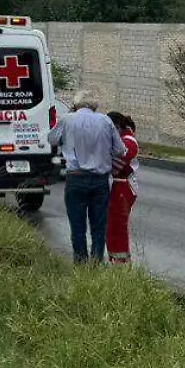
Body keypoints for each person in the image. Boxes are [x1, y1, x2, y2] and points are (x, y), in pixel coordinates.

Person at [47, 92, 125, 263]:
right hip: (100, 181)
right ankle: (96, 263)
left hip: (75, 178)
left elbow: (51, 139)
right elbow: (120, 150)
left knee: (78, 226)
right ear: (94, 105)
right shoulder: (106, 121)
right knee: (98, 227)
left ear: (76, 104)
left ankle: (80, 263)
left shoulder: (67, 120)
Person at [106, 111, 140, 265]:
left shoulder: (129, 141)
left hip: (124, 185)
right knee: (113, 221)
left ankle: (121, 259)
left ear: (117, 126)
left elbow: (116, 165)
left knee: (118, 222)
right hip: (120, 184)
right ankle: (115, 256)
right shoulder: (124, 139)